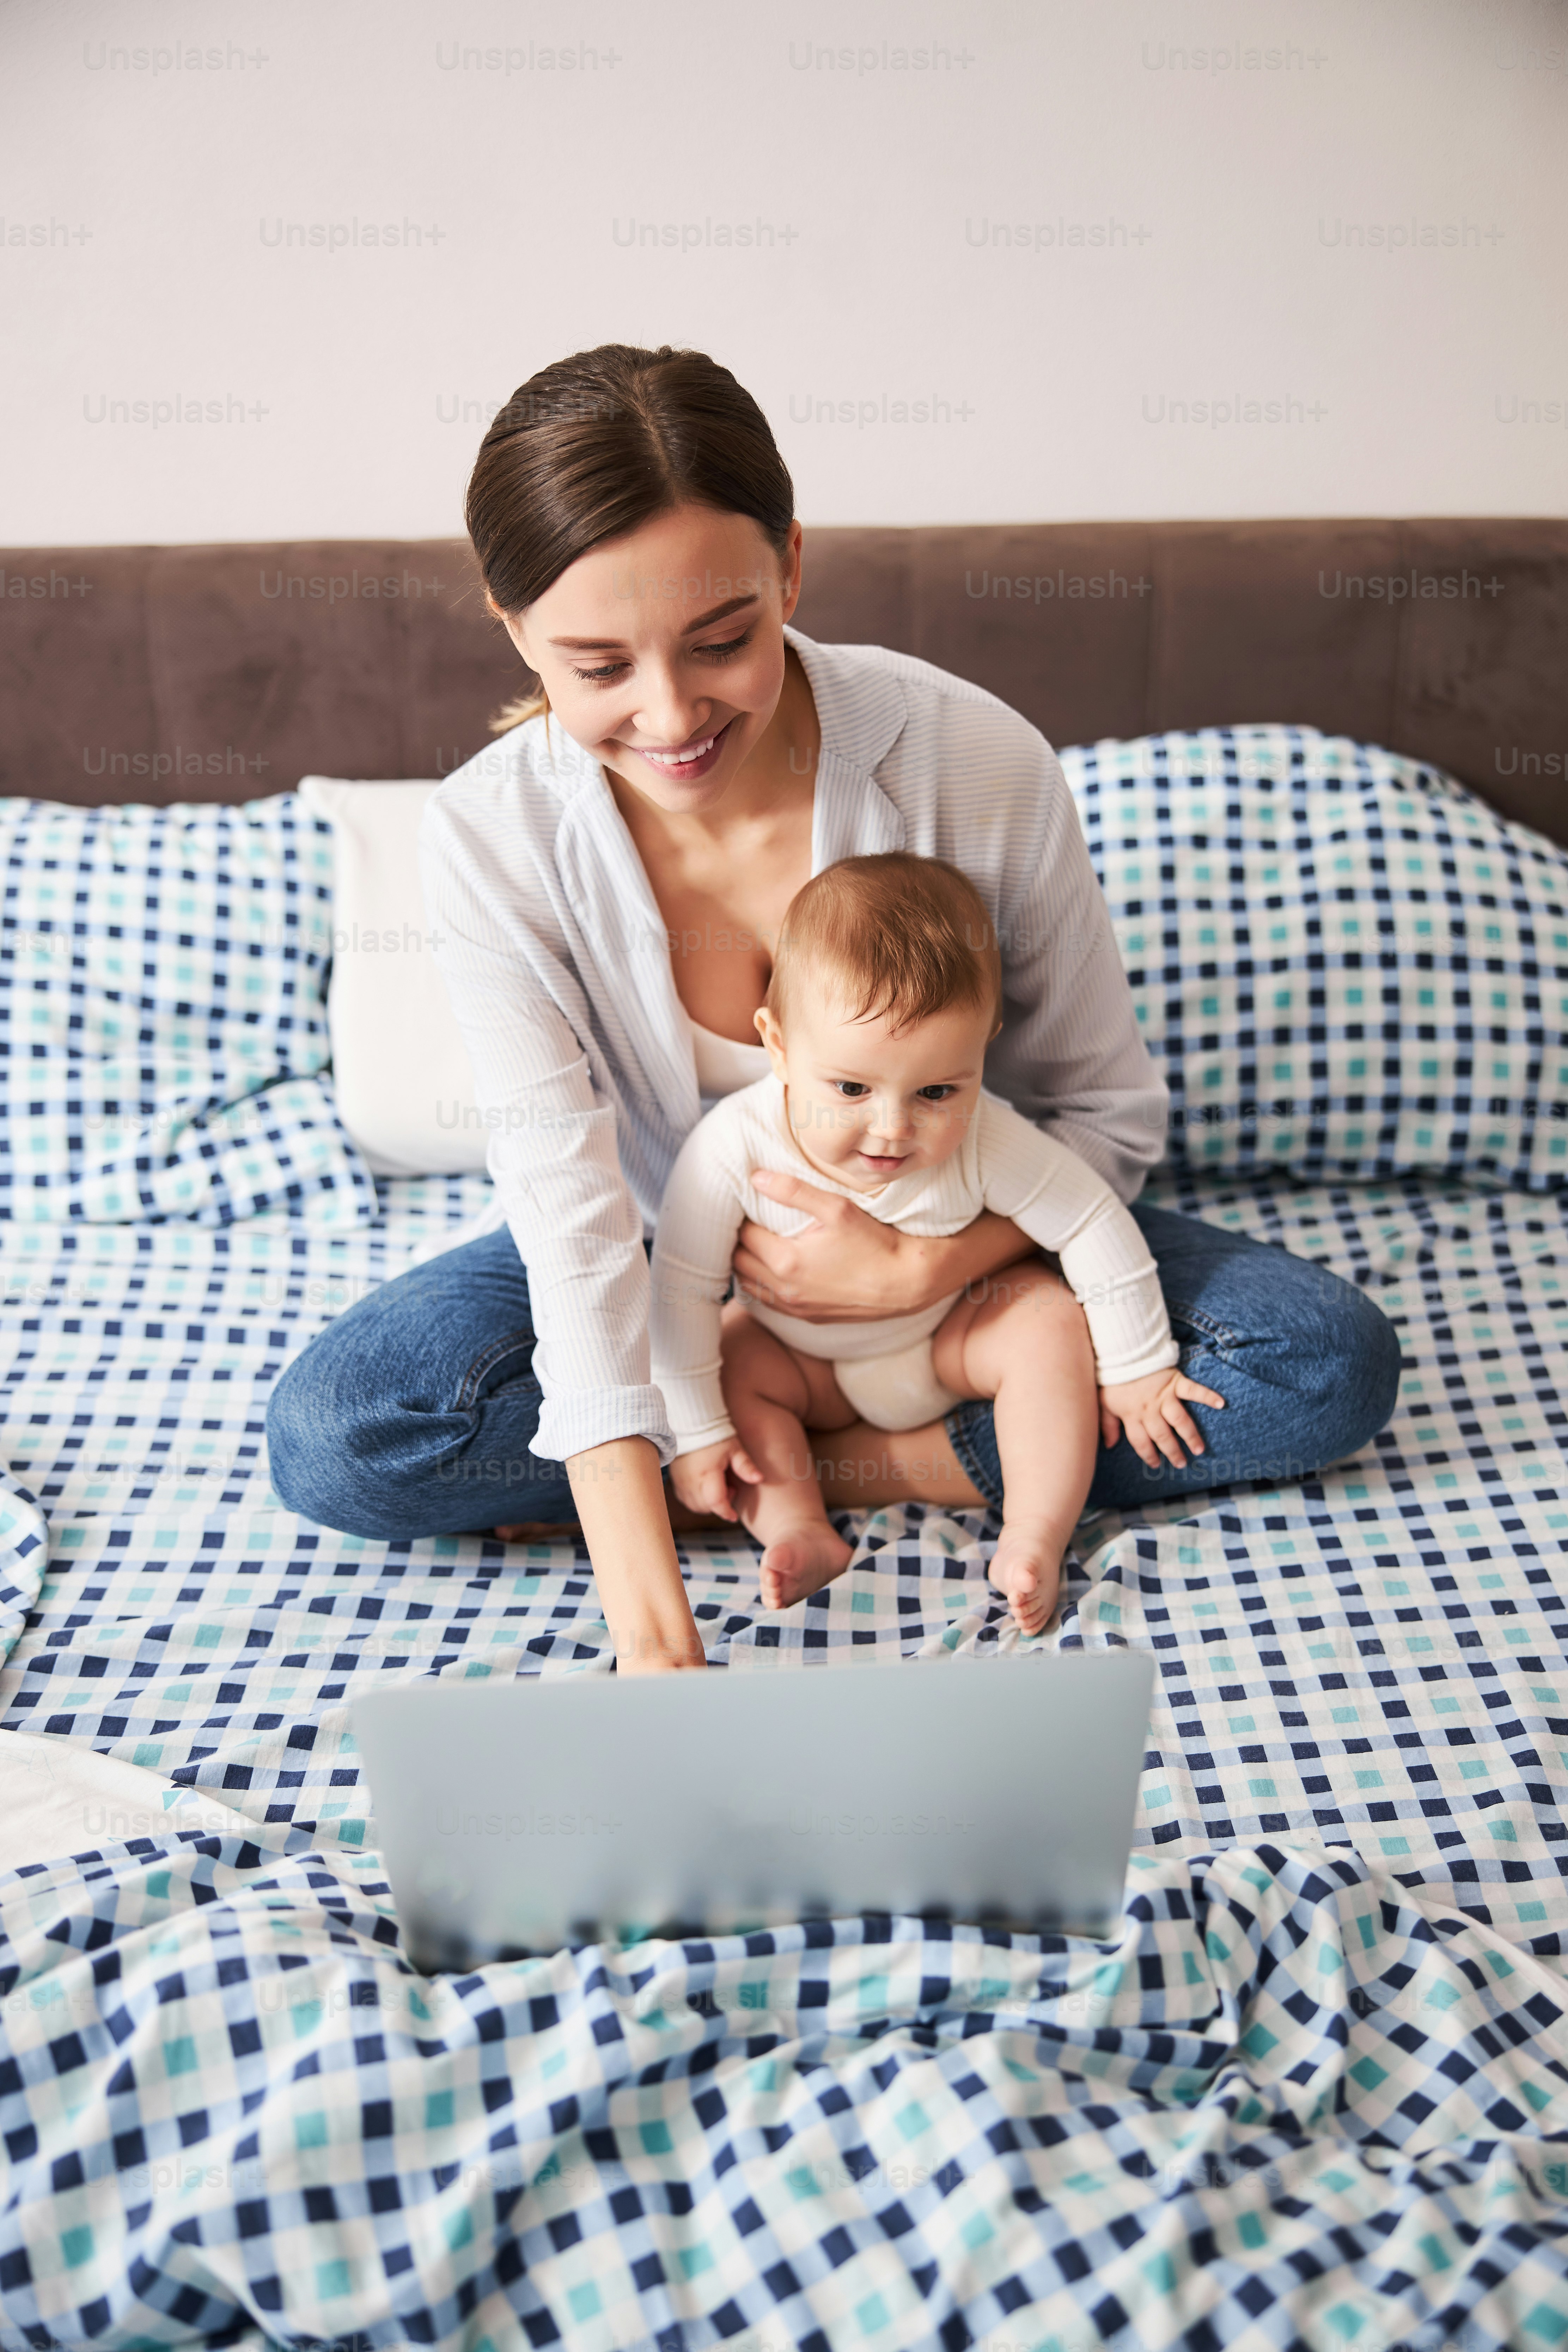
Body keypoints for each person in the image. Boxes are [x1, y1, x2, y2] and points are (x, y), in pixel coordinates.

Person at [264, 341, 1402, 1675]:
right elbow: (569, 1227)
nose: (670, 714)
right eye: (596, 668)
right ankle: (743, 1450)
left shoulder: (966, 756)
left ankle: (852, 1466)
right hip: (652, 1248)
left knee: (1318, 1363)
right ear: (513, 629)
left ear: (790, 567)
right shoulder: (490, 833)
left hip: (975, 1222)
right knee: (343, 1435)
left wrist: (931, 1263)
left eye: (721, 641)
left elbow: (1097, 1104)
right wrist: (650, 1641)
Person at [651, 852, 1224, 1636]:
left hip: (947, 1342)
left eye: (936, 1091)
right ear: (778, 1044)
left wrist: (1135, 1367)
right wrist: (696, 1431)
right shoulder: (729, 1148)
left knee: (1048, 1318)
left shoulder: (987, 1133)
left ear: (983, 1047)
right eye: (851, 1089)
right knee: (729, 1355)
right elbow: (679, 1287)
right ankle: (797, 1525)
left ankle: (1033, 1535)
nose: (892, 1128)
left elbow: (1089, 1219)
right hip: (800, 1362)